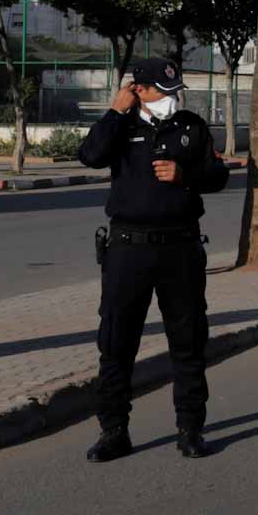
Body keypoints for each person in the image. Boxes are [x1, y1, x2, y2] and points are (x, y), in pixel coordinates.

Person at [78, 57, 230, 462]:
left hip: (180, 249)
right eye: (162, 92)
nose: (170, 98)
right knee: (116, 343)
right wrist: (114, 110)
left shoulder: (191, 126)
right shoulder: (120, 127)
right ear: (138, 91)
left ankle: (190, 429)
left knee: (188, 341)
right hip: (128, 250)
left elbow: (218, 176)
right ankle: (114, 431)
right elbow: (90, 156)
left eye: (174, 90)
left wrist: (185, 177)